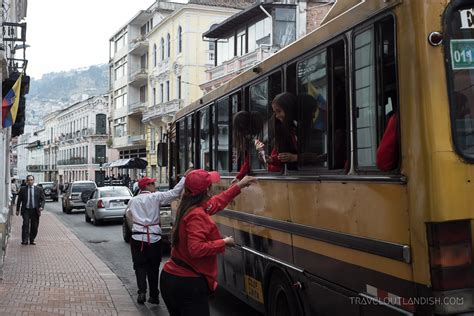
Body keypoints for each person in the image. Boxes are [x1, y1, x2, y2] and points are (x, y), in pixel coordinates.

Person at [160, 169, 256, 316]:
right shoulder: (196, 214)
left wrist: (239, 186)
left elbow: (216, 202)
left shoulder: (188, 207)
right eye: (210, 184)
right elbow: (196, 249)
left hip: (174, 279)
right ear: (206, 190)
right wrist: (223, 242)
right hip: (187, 284)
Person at [126, 174, 187, 305]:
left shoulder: (133, 200)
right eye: (152, 184)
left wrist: (138, 224)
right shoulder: (155, 197)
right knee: (153, 267)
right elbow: (175, 192)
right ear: (147, 186)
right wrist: (184, 178)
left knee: (139, 266)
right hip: (153, 237)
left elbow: (128, 215)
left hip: (137, 237)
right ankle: (154, 295)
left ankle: (141, 291)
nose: (155, 186)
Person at [267, 92, 298, 172]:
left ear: (289, 108)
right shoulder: (284, 130)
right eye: (275, 112)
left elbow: (318, 157)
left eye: (279, 111)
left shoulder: (303, 128)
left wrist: (296, 157)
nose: (277, 116)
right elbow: (283, 158)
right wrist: (272, 160)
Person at [231, 111, 264, 183]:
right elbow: (248, 161)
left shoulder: (255, 142)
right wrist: (239, 176)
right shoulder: (256, 140)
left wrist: (239, 177)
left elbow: (248, 162)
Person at [15, 175, 45, 245]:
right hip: (26, 210)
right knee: (25, 224)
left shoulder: (39, 189)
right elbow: (19, 200)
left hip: (35, 210)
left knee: (34, 226)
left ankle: (32, 239)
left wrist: (42, 206)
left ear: (33, 181)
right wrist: (17, 210)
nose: (30, 181)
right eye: (28, 180)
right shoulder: (23, 189)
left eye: (31, 180)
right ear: (26, 181)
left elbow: (43, 199)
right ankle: (25, 240)